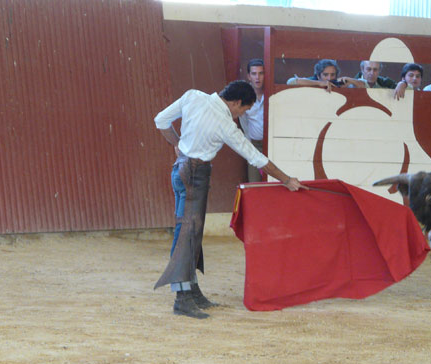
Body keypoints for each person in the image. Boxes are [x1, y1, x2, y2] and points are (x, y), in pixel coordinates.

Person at [153, 80, 306, 319]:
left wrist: (177, 145)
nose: (240, 115)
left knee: (190, 231)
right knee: (188, 233)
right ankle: (182, 298)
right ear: (235, 103)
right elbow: (256, 158)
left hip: (180, 169)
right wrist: (286, 179)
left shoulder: (193, 95)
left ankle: (191, 291)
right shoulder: (225, 124)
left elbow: (160, 121)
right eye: (242, 110)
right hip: (195, 175)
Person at [239, 59, 265, 183]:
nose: (257, 77)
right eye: (254, 74)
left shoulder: (271, 93)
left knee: (273, 181)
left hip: (272, 143)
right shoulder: (244, 97)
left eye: (261, 73)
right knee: (254, 182)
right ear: (249, 76)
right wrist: (249, 146)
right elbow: (244, 124)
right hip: (254, 145)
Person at [287, 59, 367, 92]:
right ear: (318, 76)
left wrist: (349, 79)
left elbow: (364, 84)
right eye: (325, 75)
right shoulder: (313, 80)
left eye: (332, 75)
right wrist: (319, 83)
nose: (329, 78)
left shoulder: (339, 82)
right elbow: (290, 82)